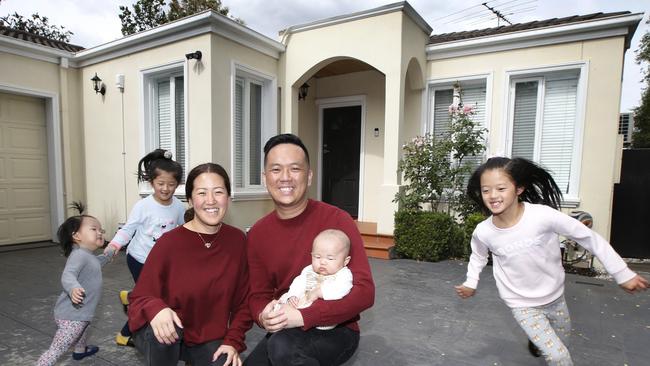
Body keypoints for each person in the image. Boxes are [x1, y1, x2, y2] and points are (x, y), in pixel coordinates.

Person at [454, 157, 649, 366]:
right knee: (559, 357)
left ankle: (536, 340)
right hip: (521, 303)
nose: (493, 196)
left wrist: (622, 273)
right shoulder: (484, 232)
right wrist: (471, 282)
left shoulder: (542, 217)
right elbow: (478, 256)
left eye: (501, 188)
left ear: (518, 188)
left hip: (555, 297)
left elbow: (588, 237)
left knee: (562, 343)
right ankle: (537, 336)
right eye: (486, 190)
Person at [245, 133, 375, 366]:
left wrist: (306, 316)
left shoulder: (338, 220)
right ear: (265, 178)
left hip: (337, 328)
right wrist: (263, 316)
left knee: (283, 348)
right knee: (277, 348)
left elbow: (364, 292)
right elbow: (258, 294)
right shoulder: (258, 233)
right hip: (289, 324)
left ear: (310, 176)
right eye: (276, 170)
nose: (285, 178)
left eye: (295, 169)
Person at [127, 163, 252, 366]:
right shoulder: (169, 243)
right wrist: (157, 308)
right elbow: (140, 296)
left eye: (218, 192)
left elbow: (245, 301)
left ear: (228, 197)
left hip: (207, 336)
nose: (210, 200)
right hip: (163, 332)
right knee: (167, 332)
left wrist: (233, 341)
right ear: (191, 200)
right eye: (202, 193)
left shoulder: (237, 241)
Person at [103, 149, 186, 346]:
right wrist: (114, 244)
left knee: (151, 294)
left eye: (171, 184)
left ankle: (130, 296)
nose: (165, 188)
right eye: (160, 184)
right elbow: (128, 229)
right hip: (139, 258)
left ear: (177, 185)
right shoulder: (143, 206)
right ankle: (124, 335)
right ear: (151, 183)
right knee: (152, 298)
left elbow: (183, 231)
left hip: (160, 262)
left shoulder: (178, 207)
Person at [37, 215, 113, 365]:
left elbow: (95, 263)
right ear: (77, 236)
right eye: (94, 229)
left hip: (81, 313)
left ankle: (80, 351)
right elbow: (67, 275)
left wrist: (108, 256)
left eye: (101, 229)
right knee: (57, 349)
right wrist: (73, 288)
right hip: (71, 317)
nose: (99, 232)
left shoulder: (87, 255)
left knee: (84, 328)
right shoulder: (78, 256)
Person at [278, 229, 353, 330]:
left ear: (345, 261)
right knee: (284, 298)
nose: (322, 262)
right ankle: (281, 314)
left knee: (321, 310)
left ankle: (293, 319)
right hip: (303, 298)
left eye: (330, 258)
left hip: (322, 308)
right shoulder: (309, 269)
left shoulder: (344, 274)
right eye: (317, 257)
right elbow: (299, 282)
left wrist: (319, 292)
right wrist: (293, 295)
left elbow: (342, 289)